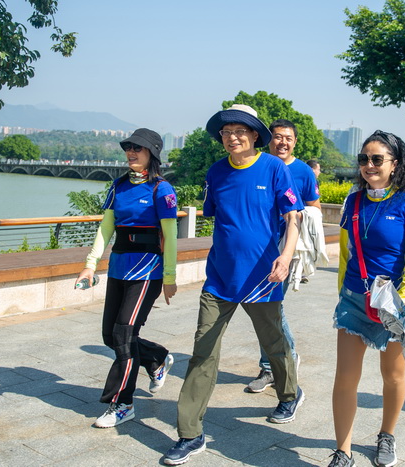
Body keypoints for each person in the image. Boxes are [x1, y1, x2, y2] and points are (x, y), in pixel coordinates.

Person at [164, 105, 304, 465]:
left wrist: (286, 256)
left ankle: (290, 394)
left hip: (263, 278)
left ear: (255, 135)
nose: (232, 137)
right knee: (203, 352)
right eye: (226, 132)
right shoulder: (216, 172)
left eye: (240, 131)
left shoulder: (273, 168)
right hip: (220, 279)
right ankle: (190, 434)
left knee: (273, 342)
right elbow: (220, 219)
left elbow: (293, 217)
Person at [329, 130, 405, 467]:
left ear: (395, 164)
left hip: (393, 303)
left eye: (377, 159)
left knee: (393, 375)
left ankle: (387, 436)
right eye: (364, 159)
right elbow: (346, 251)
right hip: (355, 301)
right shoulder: (354, 201)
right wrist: (343, 292)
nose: (369, 165)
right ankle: (343, 451)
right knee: (345, 377)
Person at [76, 128, 178, 428]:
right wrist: (90, 265)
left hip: (147, 271)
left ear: (152, 153)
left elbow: (170, 236)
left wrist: (170, 277)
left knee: (124, 335)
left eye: (138, 148)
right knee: (110, 336)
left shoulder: (162, 190)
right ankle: (156, 358)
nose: (131, 152)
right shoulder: (118, 186)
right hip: (119, 268)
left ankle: (122, 403)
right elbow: (106, 228)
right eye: (129, 147)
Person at [245, 119, 320, 394]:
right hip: (258, 248)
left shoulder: (303, 172)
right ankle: (277, 362)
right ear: (268, 139)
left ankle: (276, 362)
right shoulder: (258, 165)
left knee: (271, 306)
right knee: (264, 305)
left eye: (288, 138)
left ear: (295, 142)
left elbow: (314, 208)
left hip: (287, 248)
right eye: (277, 137)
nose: (283, 142)